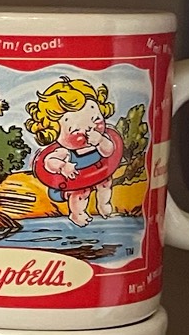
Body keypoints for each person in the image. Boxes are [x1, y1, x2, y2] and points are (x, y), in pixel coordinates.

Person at [26, 77, 119, 227]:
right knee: (81, 193)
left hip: (98, 173)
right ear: (54, 132)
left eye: (96, 120)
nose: (88, 130)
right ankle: (77, 213)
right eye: (75, 130)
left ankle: (104, 204)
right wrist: (63, 166)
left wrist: (101, 140)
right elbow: (49, 162)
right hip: (72, 182)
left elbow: (109, 151)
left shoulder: (100, 139)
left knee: (106, 183)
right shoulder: (64, 151)